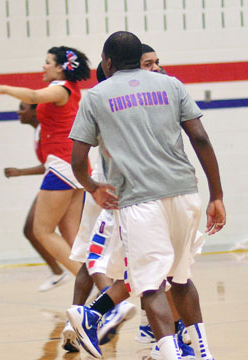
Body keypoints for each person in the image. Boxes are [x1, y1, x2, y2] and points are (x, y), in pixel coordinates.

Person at [67, 31, 225, 360]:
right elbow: (201, 138)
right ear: (139, 57)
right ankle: (203, 353)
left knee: (150, 285)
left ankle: (157, 347)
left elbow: (78, 160)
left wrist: (93, 189)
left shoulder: (96, 96)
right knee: (180, 279)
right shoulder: (172, 85)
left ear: (107, 62)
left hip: (139, 201)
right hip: (185, 193)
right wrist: (217, 195)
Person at [0, 45, 91, 278]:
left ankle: (99, 289)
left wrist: (4, 89)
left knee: (41, 231)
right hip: (71, 165)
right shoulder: (67, 87)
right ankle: (105, 295)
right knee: (72, 238)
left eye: (48, 62)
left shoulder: (61, 89)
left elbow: (33, 97)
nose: (44, 65)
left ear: (61, 68)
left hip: (62, 164)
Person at [3, 101, 67, 291]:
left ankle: (85, 275)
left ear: (35, 111)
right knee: (32, 230)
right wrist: (20, 172)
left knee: (35, 229)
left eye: (23, 108)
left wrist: (21, 172)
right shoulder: (38, 131)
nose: (18, 112)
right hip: (54, 180)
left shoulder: (46, 129)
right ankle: (59, 271)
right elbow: (49, 163)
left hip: (62, 182)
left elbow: (53, 163)